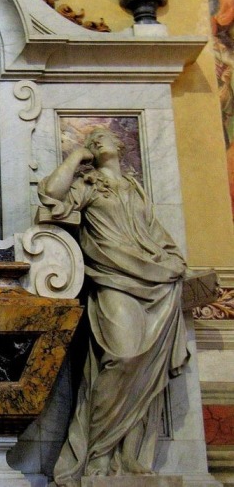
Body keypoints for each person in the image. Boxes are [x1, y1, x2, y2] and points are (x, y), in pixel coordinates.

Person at [38, 128, 189, 486]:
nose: (96, 141)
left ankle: (128, 455)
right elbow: (51, 195)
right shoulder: (89, 185)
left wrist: (173, 261)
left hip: (156, 283)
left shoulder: (135, 189)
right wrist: (76, 157)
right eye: (91, 140)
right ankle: (97, 451)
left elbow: (155, 234)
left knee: (144, 370)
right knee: (122, 358)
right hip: (113, 279)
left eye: (102, 137)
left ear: (121, 144)